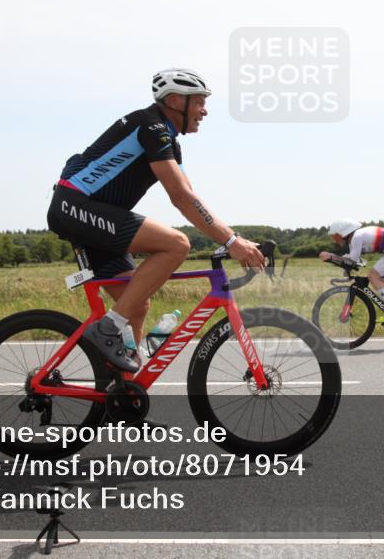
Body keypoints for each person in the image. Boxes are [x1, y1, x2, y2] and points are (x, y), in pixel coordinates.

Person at [47, 68, 266, 373]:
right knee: (176, 245)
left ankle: (122, 395)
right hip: (76, 206)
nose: (205, 110)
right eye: (200, 102)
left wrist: (235, 238)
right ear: (176, 100)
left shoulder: (168, 141)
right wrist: (230, 241)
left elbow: (190, 196)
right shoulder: (151, 127)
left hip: (89, 213)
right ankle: (106, 329)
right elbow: (180, 198)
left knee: (136, 305)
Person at [319, 219, 384, 322]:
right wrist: (345, 269)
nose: (334, 240)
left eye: (335, 236)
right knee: (383, 283)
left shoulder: (356, 237)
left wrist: (331, 257)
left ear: (343, 232)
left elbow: (351, 261)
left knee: (373, 276)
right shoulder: (354, 239)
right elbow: (352, 260)